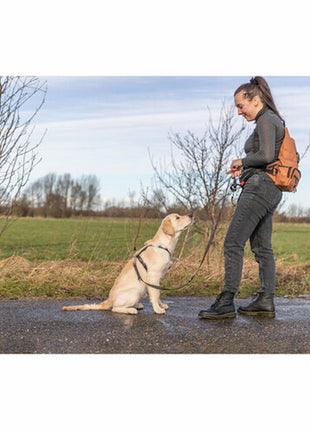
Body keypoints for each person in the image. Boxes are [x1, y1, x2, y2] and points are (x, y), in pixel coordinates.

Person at [199, 76, 284, 319]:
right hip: (269, 189)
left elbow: (266, 155)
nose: (238, 112)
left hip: (259, 188)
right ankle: (265, 301)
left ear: (255, 100)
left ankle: (226, 300)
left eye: (240, 106)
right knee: (261, 247)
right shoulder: (272, 120)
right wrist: (245, 168)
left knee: (233, 242)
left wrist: (242, 161)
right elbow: (266, 157)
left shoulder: (267, 119)